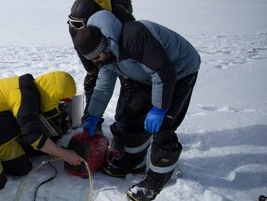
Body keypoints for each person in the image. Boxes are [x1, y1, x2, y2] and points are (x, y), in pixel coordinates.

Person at [73, 10, 200, 201]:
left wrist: (159, 108)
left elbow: (163, 72)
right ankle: (134, 159)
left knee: (163, 125)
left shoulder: (134, 37)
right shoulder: (106, 54)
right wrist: (93, 116)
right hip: (147, 74)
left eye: (97, 58)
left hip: (178, 71)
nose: (97, 62)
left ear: (105, 45)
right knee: (132, 113)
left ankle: (157, 180)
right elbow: (103, 88)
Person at [0, 71, 83, 192]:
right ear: (54, 93)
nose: (63, 103)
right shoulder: (24, 96)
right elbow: (33, 136)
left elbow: (32, 128)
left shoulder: (32, 93)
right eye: (62, 99)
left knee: (22, 168)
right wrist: (64, 154)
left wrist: (53, 150)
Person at [67, 0, 137, 153]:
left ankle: (122, 130)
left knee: (129, 88)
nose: (77, 28)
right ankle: (91, 122)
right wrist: (91, 69)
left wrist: (126, 72)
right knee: (95, 82)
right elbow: (81, 48)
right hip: (96, 49)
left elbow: (129, 47)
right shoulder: (75, 26)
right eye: (74, 24)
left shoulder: (121, 19)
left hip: (119, 53)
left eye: (81, 25)